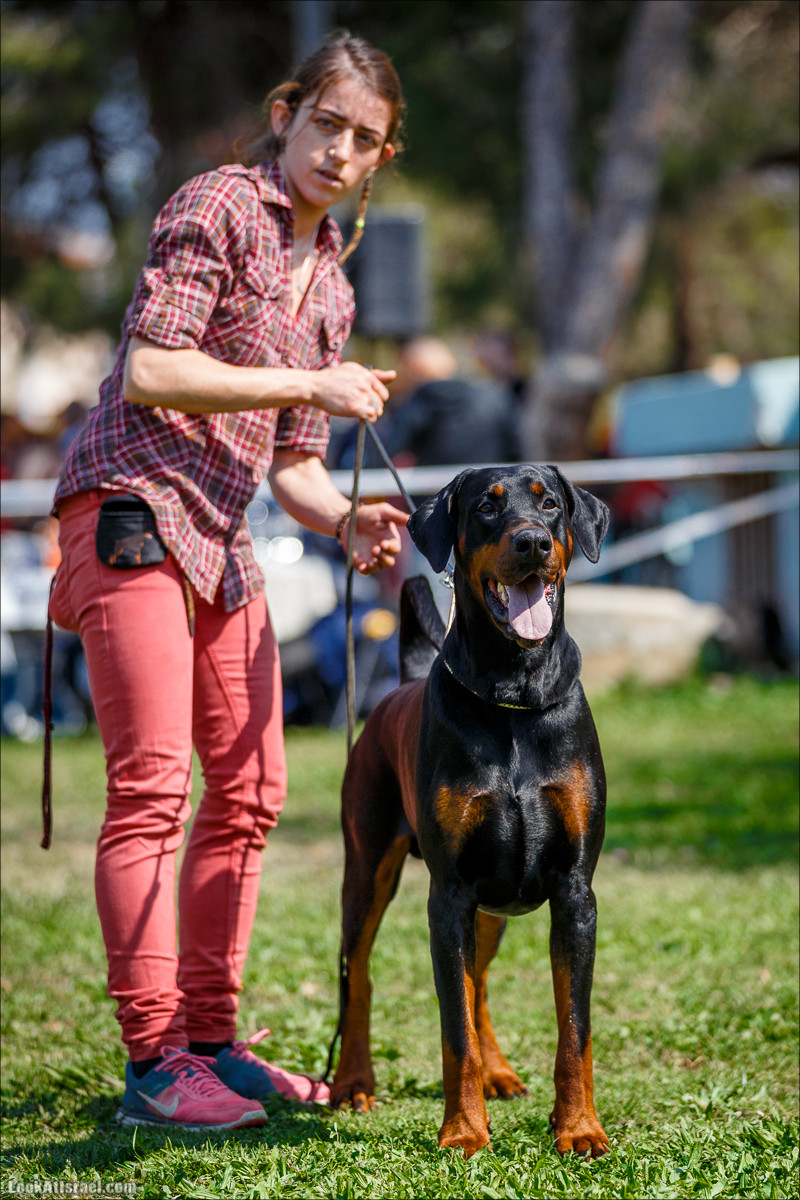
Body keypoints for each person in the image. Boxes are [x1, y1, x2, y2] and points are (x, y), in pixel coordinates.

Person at [47, 33, 407, 1133]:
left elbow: (292, 464)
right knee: (154, 791)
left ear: (381, 158)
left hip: (221, 533)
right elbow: (152, 369)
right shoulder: (217, 204)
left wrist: (347, 519)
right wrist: (313, 377)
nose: (339, 152)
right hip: (129, 507)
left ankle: (213, 1041)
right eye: (326, 124)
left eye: (365, 140)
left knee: (251, 794)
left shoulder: (332, 283)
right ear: (286, 111)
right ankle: (155, 1064)